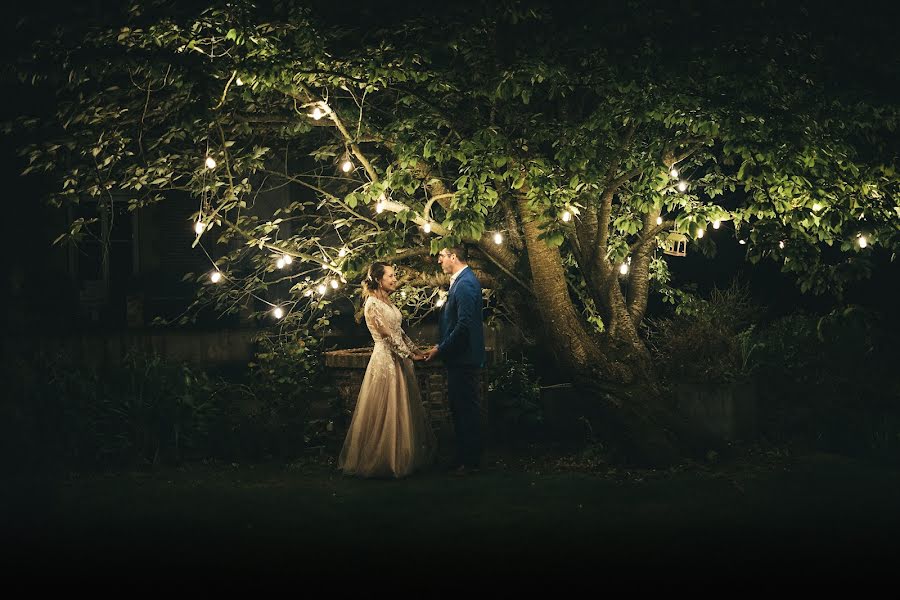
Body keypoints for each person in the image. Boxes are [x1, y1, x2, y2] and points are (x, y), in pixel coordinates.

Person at [338, 262, 436, 478]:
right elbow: (387, 336)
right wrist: (410, 355)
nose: (394, 279)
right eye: (391, 276)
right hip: (384, 361)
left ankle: (401, 455)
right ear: (378, 279)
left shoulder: (388, 302)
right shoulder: (372, 304)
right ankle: (382, 459)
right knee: (384, 409)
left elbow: (399, 333)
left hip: (398, 360)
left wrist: (416, 350)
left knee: (400, 408)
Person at [424, 245, 485, 475]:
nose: (439, 261)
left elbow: (463, 327)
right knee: (459, 409)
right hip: (460, 358)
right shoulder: (460, 282)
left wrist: (440, 349)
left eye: (441, 256)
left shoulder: (466, 283)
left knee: (466, 410)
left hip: (464, 358)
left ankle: (471, 462)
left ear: (453, 256)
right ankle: (462, 458)